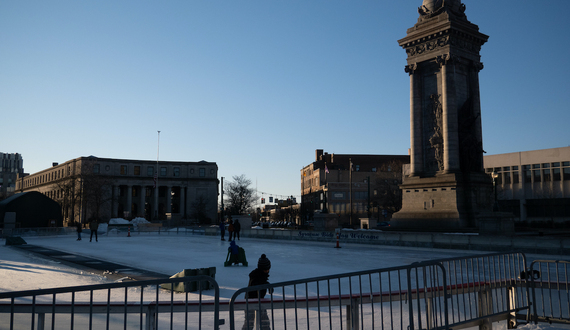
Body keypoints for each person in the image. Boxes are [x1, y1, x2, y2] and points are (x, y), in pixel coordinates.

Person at [243, 254, 272, 330]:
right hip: (250, 302)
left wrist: (267, 285)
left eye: (268, 269)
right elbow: (255, 284)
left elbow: (262, 283)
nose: (267, 271)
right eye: (265, 269)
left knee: (265, 322)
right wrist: (265, 285)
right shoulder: (255, 276)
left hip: (259, 301)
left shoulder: (262, 275)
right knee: (249, 323)